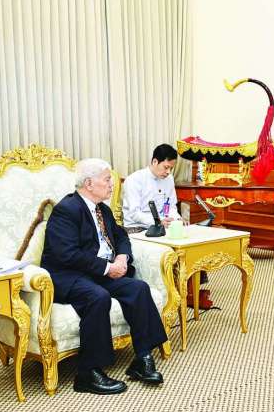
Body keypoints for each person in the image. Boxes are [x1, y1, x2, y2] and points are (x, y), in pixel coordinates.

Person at [41, 158, 167, 394]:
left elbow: (121, 236)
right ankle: (88, 373)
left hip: (97, 272)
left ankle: (142, 358)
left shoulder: (103, 210)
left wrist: (122, 258)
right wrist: (108, 268)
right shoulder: (67, 210)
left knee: (138, 288)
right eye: (107, 179)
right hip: (69, 275)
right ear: (89, 183)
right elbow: (67, 254)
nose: (112, 184)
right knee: (97, 297)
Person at [122, 144, 179, 230]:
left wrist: (177, 219)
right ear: (155, 162)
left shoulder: (169, 179)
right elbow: (134, 213)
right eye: (166, 167)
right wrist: (158, 221)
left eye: (171, 169)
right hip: (137, 227)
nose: (168, 172)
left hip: (162, 225)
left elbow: (171, 206)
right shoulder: (134, 179)